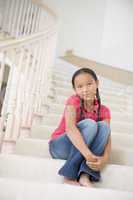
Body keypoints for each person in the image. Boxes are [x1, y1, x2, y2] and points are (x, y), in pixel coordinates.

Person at [49, 68, 111, 187]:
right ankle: (69, 174)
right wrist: (88, 154)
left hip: (82, 151)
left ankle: (85, 174)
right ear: (75, 89)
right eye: (80, 86)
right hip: (59, 147)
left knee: (104, 127)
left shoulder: (104, 110)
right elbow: (70, 129)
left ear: (97, 83)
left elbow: (107, 138)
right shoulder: (73, 101)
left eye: (89, 84)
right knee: (90, 124)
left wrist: (104, 159)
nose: (85, 90)